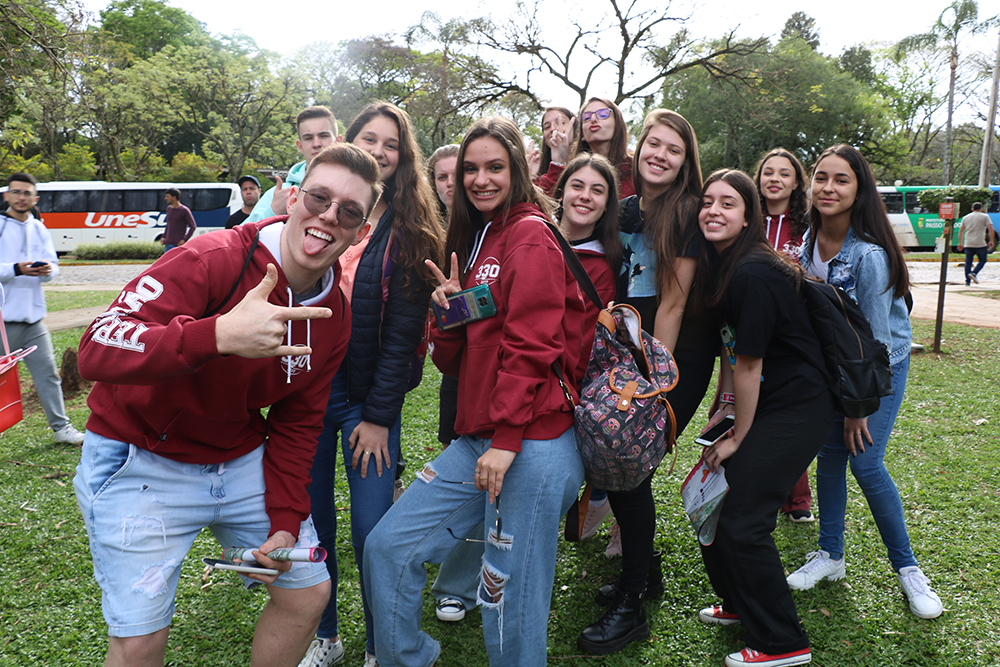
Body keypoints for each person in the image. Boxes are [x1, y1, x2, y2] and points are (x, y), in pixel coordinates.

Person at [72, 143, 382, 667]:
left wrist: (285, 520)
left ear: (361, 232)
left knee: (307, 593)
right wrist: (214, 336)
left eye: (349, 211)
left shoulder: (334, 314)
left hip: (236, 457)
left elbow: (299, 422)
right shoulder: (213, 257)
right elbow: (95, 347)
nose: (329, 216)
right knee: (140, 639)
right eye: (318, 198)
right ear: (292, 198)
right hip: (141, 455)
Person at [363, 116, 587, 667]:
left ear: (518, 171)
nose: (481, 179)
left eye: (495, 167)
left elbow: (533, 342)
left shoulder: (530, 233)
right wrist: (448, 312)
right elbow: (455, 359)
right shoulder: (477, 236)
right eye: (471, 169)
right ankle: (409, 658)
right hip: (481, 437)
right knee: (388, 547)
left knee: (506, 598)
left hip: (531, 440)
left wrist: (507, 439)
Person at [299, 102, 443, 667]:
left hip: (370, 405)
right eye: (369, 139)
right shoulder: (321, 214)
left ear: (404, 158)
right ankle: (326, 635)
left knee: (373, 532)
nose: (380, 151)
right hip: (309, 398)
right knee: (313, 525)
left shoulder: (410, 232)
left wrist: (379, 418)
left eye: (392, 144)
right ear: (348, 141)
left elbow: (403, 338)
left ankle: (383, 645)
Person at [576, 109, 715, 655]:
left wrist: (653, 382)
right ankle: (644, 572)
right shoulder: (626, 207)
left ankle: (632, 601)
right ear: (639, 150)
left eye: (673, 150)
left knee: (628, 462)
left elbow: (674, 304)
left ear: (685, 162)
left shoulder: (686, 212)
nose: (660, 155)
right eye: (654, 144)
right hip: (625, 351)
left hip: (672, 358)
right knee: (624, 465)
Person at [786, 144, 943, 621]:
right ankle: (831, 554)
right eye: (821, 177)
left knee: (867, 464)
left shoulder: (869, 256)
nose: (828, 188)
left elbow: (873, 343)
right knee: (830, 458)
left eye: (842, 180)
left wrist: (858, 409)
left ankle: (908, 568)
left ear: (859, 190)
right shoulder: (809, 240)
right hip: (837, 368)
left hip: (878, 367)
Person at [694, 169, 834, 667]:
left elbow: (750, 365)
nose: (714, 210)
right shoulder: (728, 266)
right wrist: (725, 410)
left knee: (742, 518)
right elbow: (732, 352)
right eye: (707, 201)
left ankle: (782, 643)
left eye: (727, 203)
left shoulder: (752, 272)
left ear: (748, 216)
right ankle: (739, 604)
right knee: (715, 502)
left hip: (799, 406)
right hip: (771, 402)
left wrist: (738, 437)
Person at [552, 153, 624, 542]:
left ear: (607, 205)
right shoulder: (532, 237)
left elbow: (586, 342)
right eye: (577, 185)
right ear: (561, 192)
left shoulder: (604, 264)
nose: (585, 196)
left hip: (562, 387)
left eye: (597, 191)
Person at [0, 171, 85, 445]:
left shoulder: (39, 227)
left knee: (48, 375)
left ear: (35, 198)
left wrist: (48, 270)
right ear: (7, 195)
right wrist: (15, 269)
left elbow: (53, 266)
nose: (21, 197)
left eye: (27, 193)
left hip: (34, 321)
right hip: (3, 321)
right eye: (16, 192)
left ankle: (61, 428)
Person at [754, 148, 814, 523]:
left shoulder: (807, 226)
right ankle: (747, 490)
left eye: (784, 173)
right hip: (750, 330)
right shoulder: (747, 219)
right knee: (740, 407)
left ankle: (798, 498)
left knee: (788, 415)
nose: (774, 179)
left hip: (793, 334)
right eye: (768, 172)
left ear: (795, 184)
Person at [247, 106, 342, 224]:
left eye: (323, 136)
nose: (316, 143)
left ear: (339, 141)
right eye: (308, 138)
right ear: (299, 146)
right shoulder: (279, 194)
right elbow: (240, 234)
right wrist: (272, 211)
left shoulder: (353, 190)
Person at [529, 106, 577, 196]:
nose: (553, 129)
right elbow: (539, 202)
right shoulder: (542, 173)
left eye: (562, 122)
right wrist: (532, 177)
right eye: (547, 127)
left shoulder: (587, 163)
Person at [957, 201, 994, 285]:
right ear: (981, 209)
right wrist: (991, 240)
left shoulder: (966, 217)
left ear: (972, 209)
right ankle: (974, 273)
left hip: (968, 243)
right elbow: (991, 228)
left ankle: (967, 281)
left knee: (968, 262)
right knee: (983, 260)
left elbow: (961, 231)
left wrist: (960, 243)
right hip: (980, 243)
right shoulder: (985, 216)